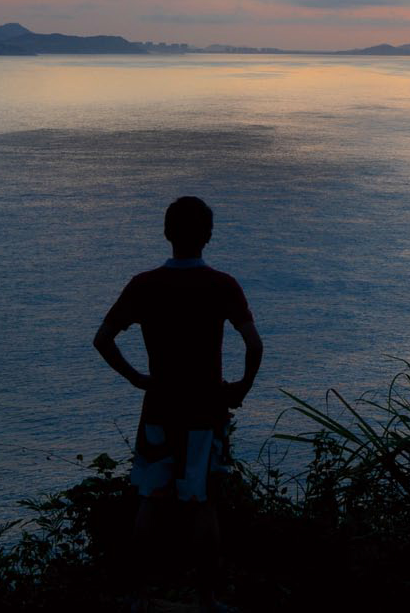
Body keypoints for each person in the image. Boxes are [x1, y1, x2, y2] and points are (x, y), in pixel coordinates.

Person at [94, 196, 263, 613]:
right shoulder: (223, 285)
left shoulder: (144, 285)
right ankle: (207, 600)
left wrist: (138, 379)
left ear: (167, 233)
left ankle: (139, 597)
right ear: (208, 235)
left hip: (159, 407)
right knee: (203, 504)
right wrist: (240, 388)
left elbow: (103, 339)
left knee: (150, 500)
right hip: (205, 409)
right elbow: (253, 344)